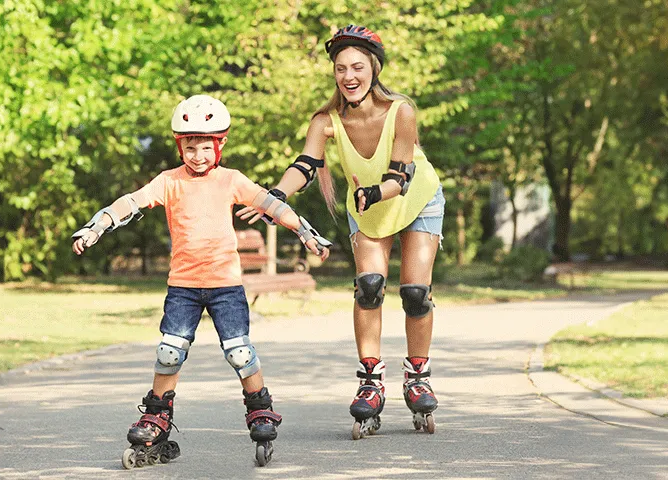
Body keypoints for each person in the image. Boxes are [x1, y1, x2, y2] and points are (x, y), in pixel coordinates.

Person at [71, 94, 332, 467]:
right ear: (181, 147)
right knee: (169, 351)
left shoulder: (231, 180)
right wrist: (97, 226)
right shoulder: (169, 181)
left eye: (205, 147)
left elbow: (271, 205)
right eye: (190, 147)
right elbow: (131, 202)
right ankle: (157, 416)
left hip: (226, 285)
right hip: (184, 286)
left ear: (219, 145)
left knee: (239, 352)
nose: (198, 155)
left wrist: (306, 232)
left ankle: (261, 409)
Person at [238, 25, 445, 437]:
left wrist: (373, 190)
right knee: (369, 287)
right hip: (368, 209)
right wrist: (273, 197)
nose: (349, 76)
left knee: (415, 294)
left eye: (357, 67)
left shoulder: (401, 110)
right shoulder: (326, 120)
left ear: (374, 68)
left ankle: (417, 376)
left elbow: (400, 177)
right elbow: (304, 167)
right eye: (340, 68)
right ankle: (371, 382)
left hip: (416, 200)